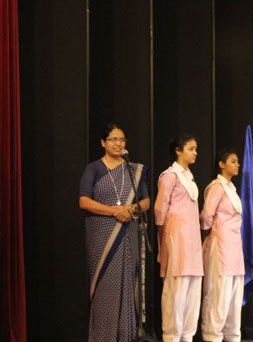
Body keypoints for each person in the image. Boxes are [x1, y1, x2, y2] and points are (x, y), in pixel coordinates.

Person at [79, 122, 150, 342]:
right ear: (103, 143)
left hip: (128, 233)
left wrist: (130, 210)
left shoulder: (133, 170)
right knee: (104, 288)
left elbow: (146, 202)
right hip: (101, 236)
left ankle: (125, 336)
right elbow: (84, 201)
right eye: (113, 139)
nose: (118, 143)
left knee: (127, 284)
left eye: (121, 139)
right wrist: (115, 211)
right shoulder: (94, 168)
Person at [155, 134, 203, 342]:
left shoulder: (189, 177)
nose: (195, 153)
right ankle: (172, 335)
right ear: (178, 150)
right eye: (191, 149)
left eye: (195, 149)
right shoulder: (170, 176)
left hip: (192, 237)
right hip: (176, 235)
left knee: (193, 286)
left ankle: (187, 334)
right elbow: (160, 209)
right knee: (177, 287)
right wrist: (163, 239)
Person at [200, 149, 245, 342]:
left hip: (235, 246)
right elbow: (206, 215)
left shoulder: (231, 188)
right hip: (220, 244)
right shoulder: (216, 187)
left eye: (237, 161)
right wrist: (210, 232)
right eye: (233, 161)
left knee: (234, 294)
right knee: (219, 291)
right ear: (221, 164)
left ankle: (232, 335)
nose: (237, 165)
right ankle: (213, 335)